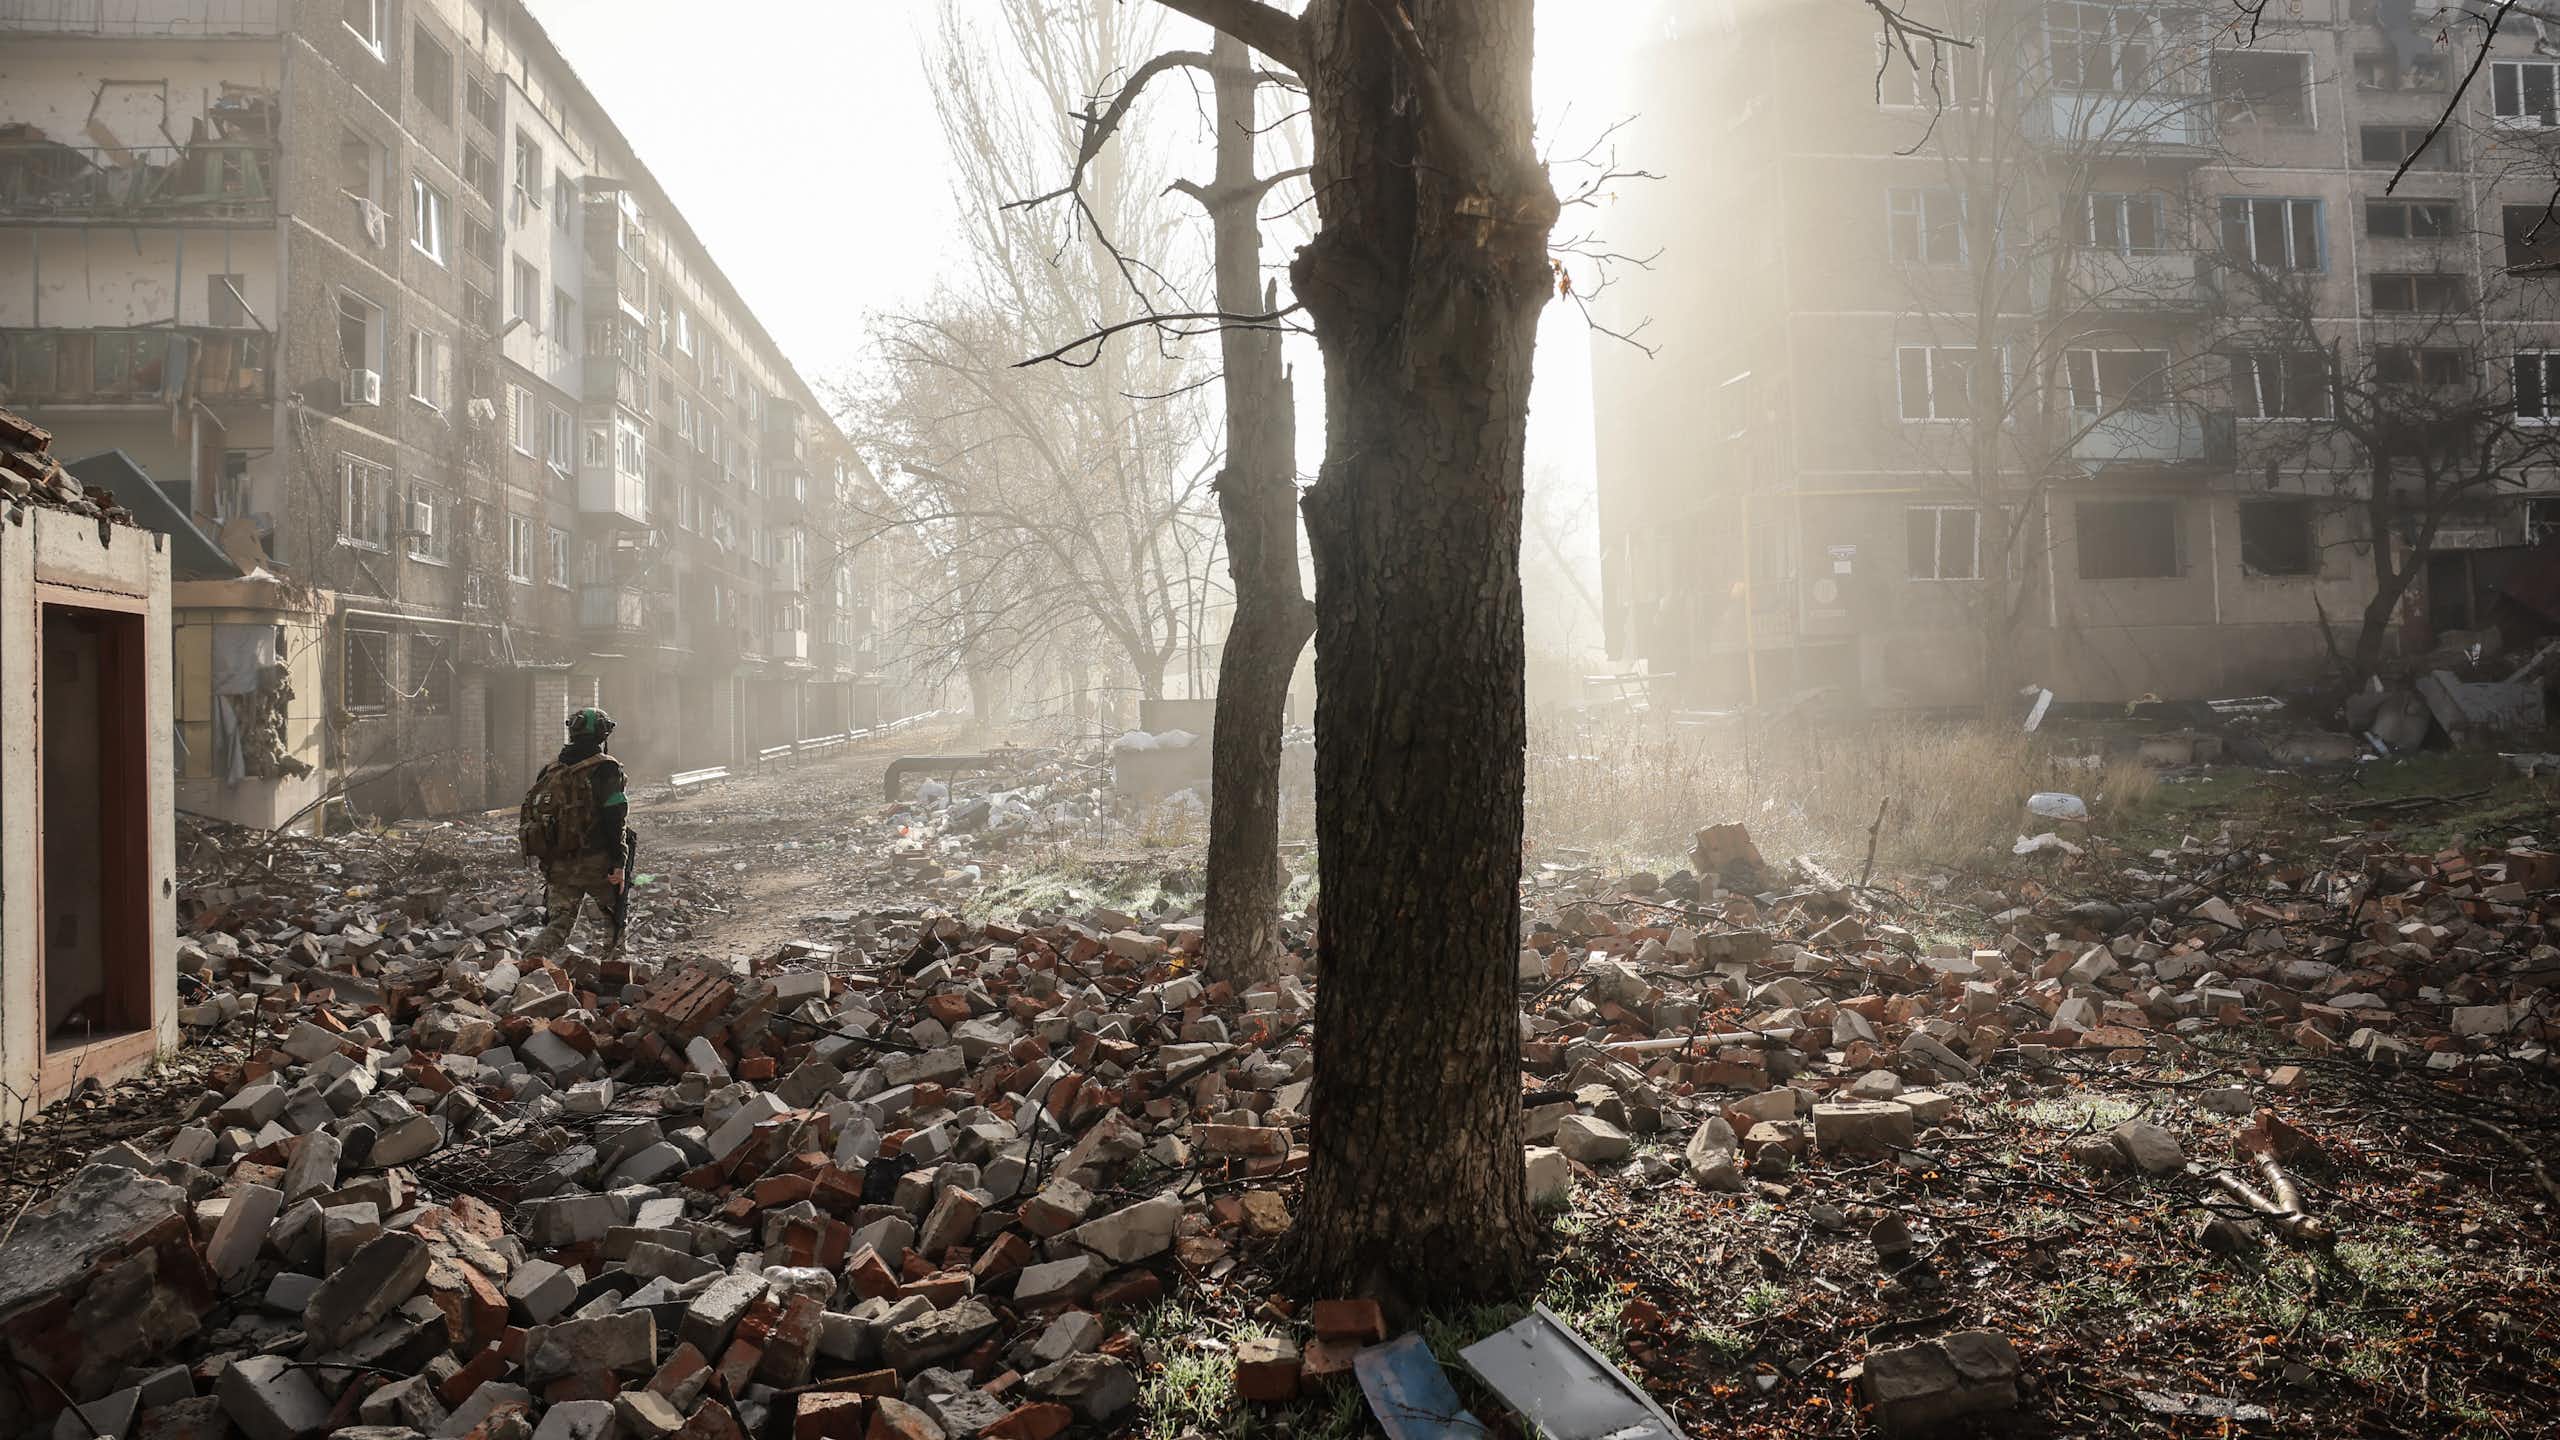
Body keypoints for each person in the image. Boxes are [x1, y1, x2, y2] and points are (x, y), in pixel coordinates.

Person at [524, 707, 630, 958]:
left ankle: (523, 969)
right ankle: (615, 976)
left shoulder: (550, 771)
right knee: (613, 923)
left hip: (558, 864)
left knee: (558, 927)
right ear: (602, 735)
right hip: (597, 863)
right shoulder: (606, 769)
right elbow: (615, 817)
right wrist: (619, 861)